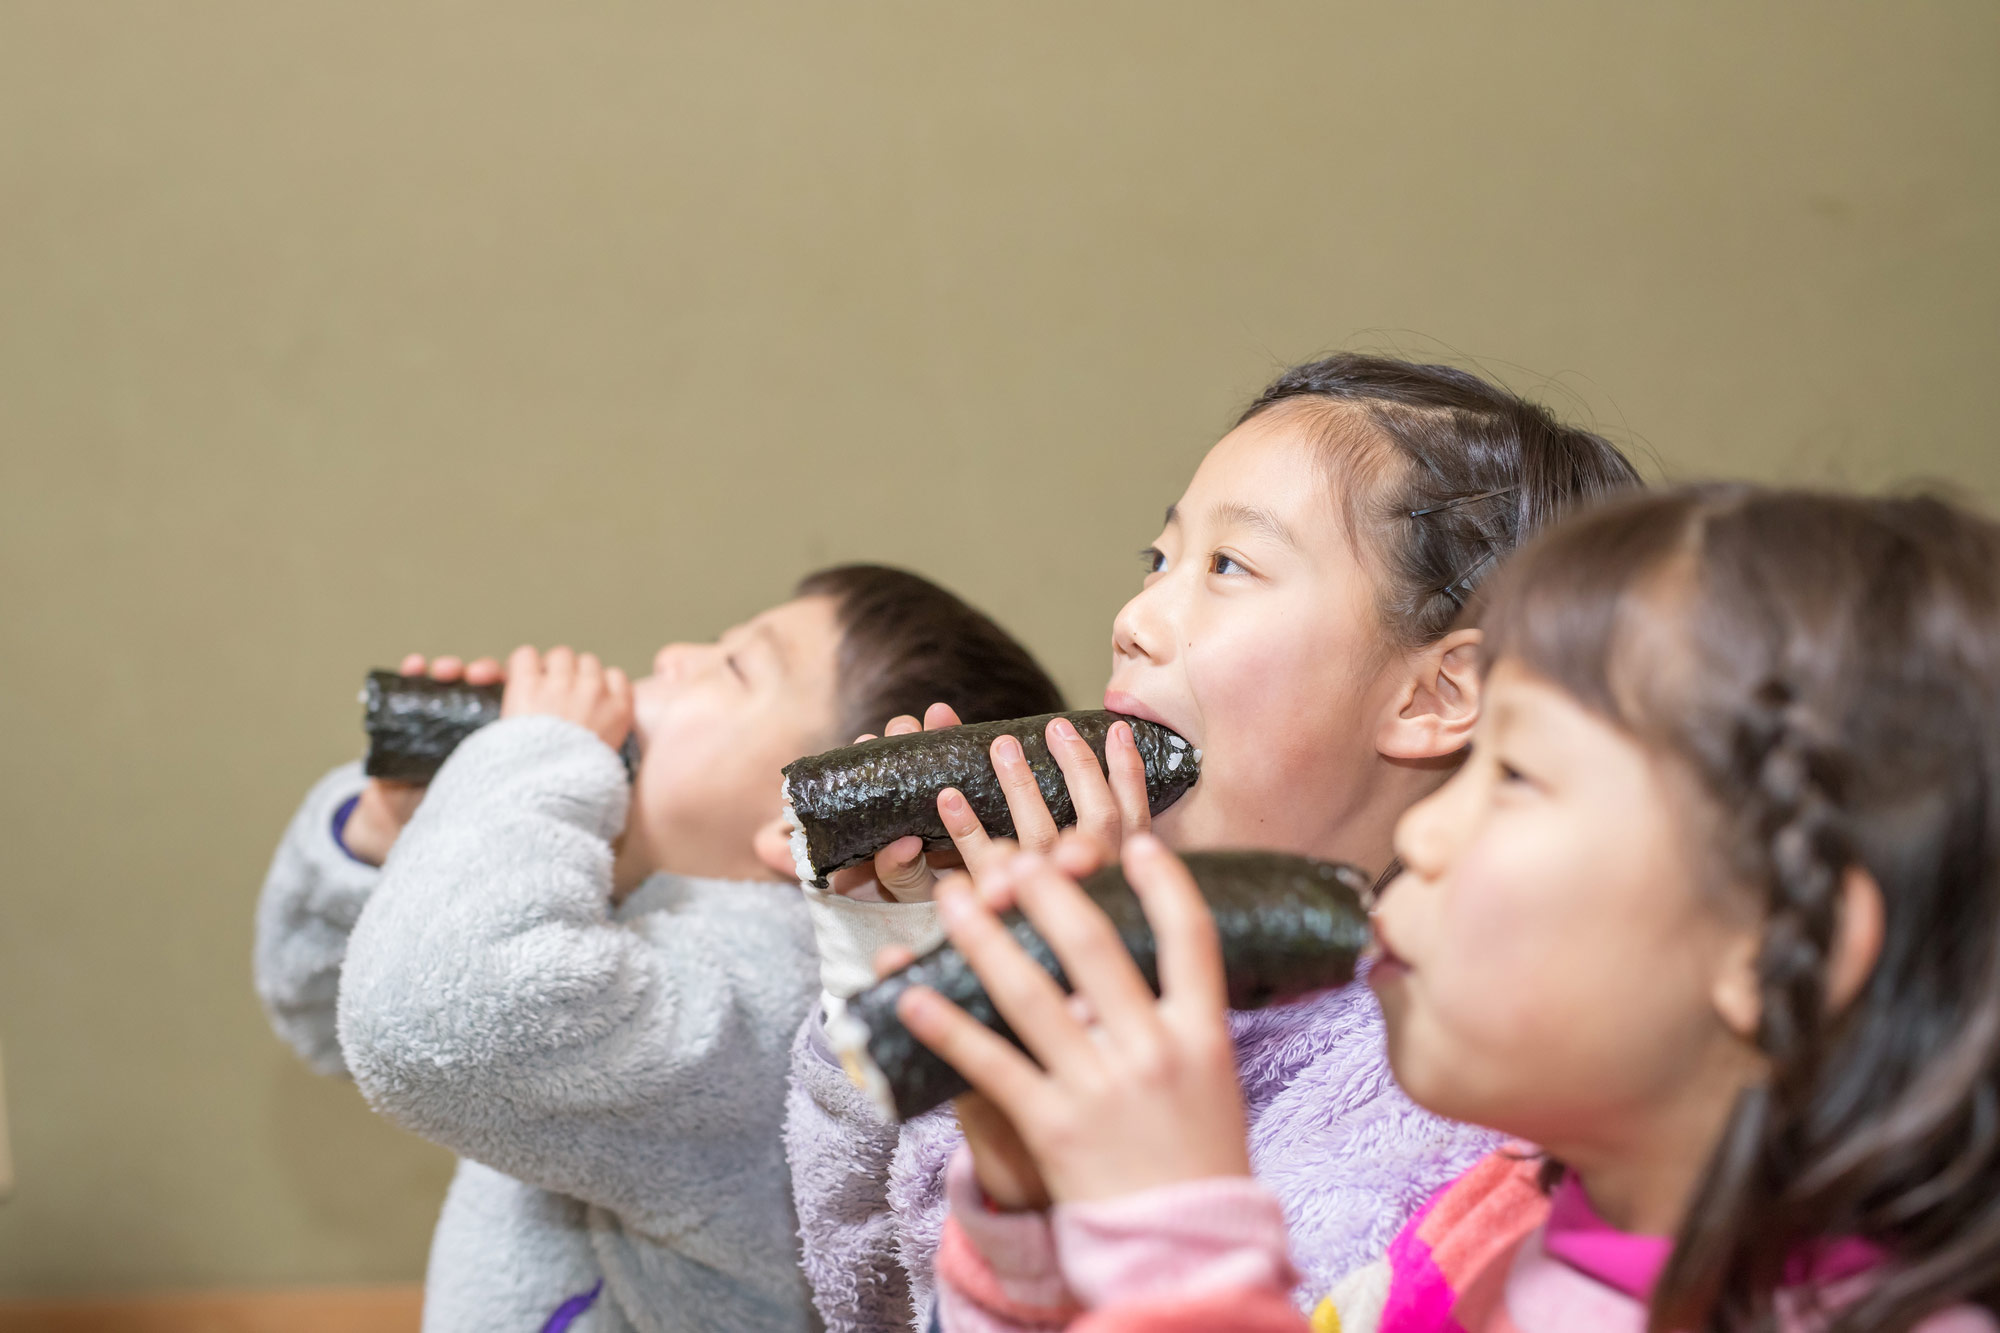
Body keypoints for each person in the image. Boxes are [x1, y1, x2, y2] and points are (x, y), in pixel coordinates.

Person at [920, 487, 2000, 1332]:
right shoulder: (1485, 1229)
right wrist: (1034, 1226)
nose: (1426, 832)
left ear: (1779, 953)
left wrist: (1179, 1248)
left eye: (1516, 776)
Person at [785, 356, 1641, 1329]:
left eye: (1227, 567)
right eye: (1156, 561)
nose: (1134, 620)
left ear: (1435, 694)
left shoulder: (1451, 1106)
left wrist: (1088, 1001)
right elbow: (874, 1302)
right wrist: (921, 972)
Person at [253, 565, 1064, 1333]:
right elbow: (321, 1006)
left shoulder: (765, 997)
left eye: (735, 666)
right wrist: (391, 831)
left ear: (807, 819)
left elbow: (421, 1015)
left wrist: (532, 757)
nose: (676, 655)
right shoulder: (590, 899)